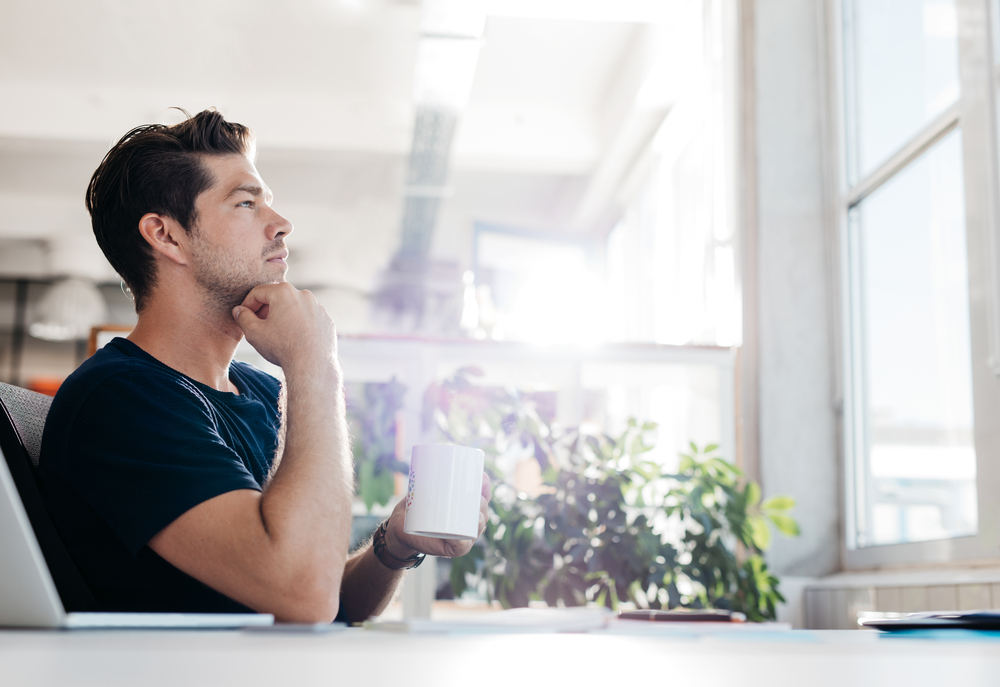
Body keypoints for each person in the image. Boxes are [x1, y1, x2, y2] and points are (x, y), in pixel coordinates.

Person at [38, 109, 490, 623]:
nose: (281, 225)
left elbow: (324, 591)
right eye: (247, 203)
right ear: (166, 236)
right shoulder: (120, 399)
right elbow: (303, 596)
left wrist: (395, 545)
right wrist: (315, 362)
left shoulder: (256, 389)